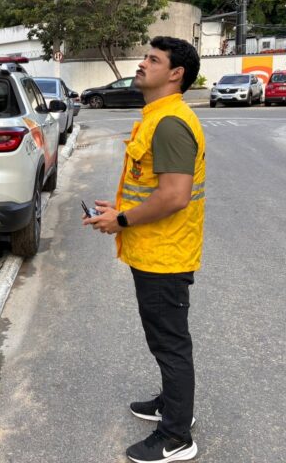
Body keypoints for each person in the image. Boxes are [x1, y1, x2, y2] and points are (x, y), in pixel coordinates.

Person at [84, 36, 205, 463]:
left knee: (170, 344)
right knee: (164, 340)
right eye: (145, 57)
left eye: (153, 60)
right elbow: (155, 187)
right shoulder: (158, 116)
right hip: (154, 249)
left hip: (164, 255)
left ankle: (176, 437)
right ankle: (173, 407)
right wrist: (122, 209)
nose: (142, 64)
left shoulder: (170, 122)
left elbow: (174, 196)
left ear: (175, 74)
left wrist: (120, 220)